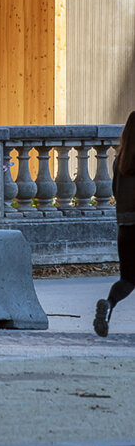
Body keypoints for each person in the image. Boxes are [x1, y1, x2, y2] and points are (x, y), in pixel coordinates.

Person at [94, 110, 135, 336]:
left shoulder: (120, 162)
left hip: (125, 228)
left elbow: (116, 193)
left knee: (127, 279)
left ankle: (109, 305)